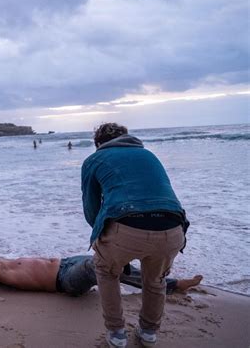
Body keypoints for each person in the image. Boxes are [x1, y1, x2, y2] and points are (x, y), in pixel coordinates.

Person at [81, 122, 189, 347]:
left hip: (127, 227)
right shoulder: (149, 155)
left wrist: (101, 235)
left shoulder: (94, 160)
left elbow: (91, 208)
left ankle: (117, 334)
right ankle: (149, 332)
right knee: (155, 280)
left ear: (98, 143)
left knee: (106, 271)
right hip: (173, 228)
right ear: (127, 137)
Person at [0, 232, 201, 295]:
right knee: (102, 264)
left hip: (68, 263)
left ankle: (160, 278)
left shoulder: (8, 263)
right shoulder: (1, 274)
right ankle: (172, 284)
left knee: (114, 264)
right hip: (66, 281)